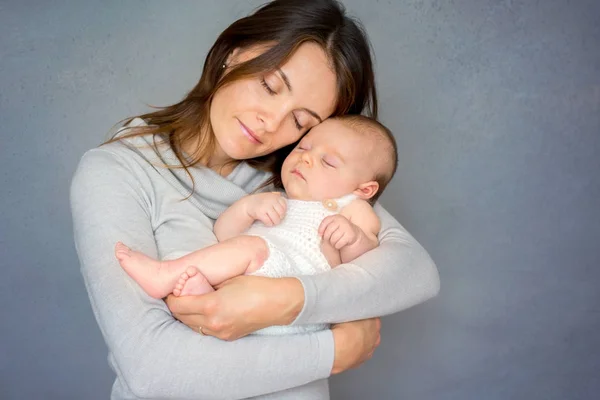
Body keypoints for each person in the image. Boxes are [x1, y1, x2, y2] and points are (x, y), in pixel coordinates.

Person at [70, 0, 440, 398]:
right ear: (233, 52)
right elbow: (153, 370)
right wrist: (333, 351)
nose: (272, 121)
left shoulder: (299, 175)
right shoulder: (119, 171)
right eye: (269, 85)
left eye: (301, 121)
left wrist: (280, 300)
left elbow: (415, 272)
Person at [114, 116, 396, 337]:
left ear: (365, 189)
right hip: (245, 298)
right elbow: (224, 236)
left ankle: (165, 275)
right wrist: (247, 209)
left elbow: (367, 270)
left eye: (328, 162)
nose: (306, 158)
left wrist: (353, 239)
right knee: (245, 249)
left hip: (293, 300)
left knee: (253, 248)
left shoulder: (353, 208)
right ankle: (207, 296)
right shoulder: (278, 198)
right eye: (304, 147)